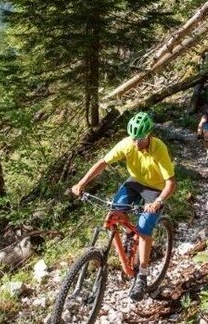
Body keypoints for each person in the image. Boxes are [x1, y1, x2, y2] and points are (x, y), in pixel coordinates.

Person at [71, 112, 176, 301]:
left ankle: (142, 276)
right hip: (135, 182)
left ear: (149, 135)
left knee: (144, 229)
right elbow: (103, 163)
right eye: (134, 138)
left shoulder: (159, 148)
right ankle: (129, 235)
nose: (137, 143)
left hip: (156, 188)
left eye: (141, 139)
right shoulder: (127, 144)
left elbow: (171, 182)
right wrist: (81, 183)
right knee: (115, 211)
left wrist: (158, 202)